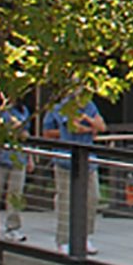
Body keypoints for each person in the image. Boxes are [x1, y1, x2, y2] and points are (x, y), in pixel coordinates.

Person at [42, 92, 106, 255]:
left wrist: (90, 122)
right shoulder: (61, 108)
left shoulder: (90, 106)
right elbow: (74, 127)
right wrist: (90, 128)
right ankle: (63, 239)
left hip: (88, 160)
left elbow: (102, 127)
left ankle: (85, 236)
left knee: (93, 197)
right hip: (66, 160)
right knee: (65, 200)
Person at [0, 97, 31, 242]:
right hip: (0, 157)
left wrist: (30, 157)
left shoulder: (23, 110)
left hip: (18, 157)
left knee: (15, 194)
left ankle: (13, 227)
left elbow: (26, 134)